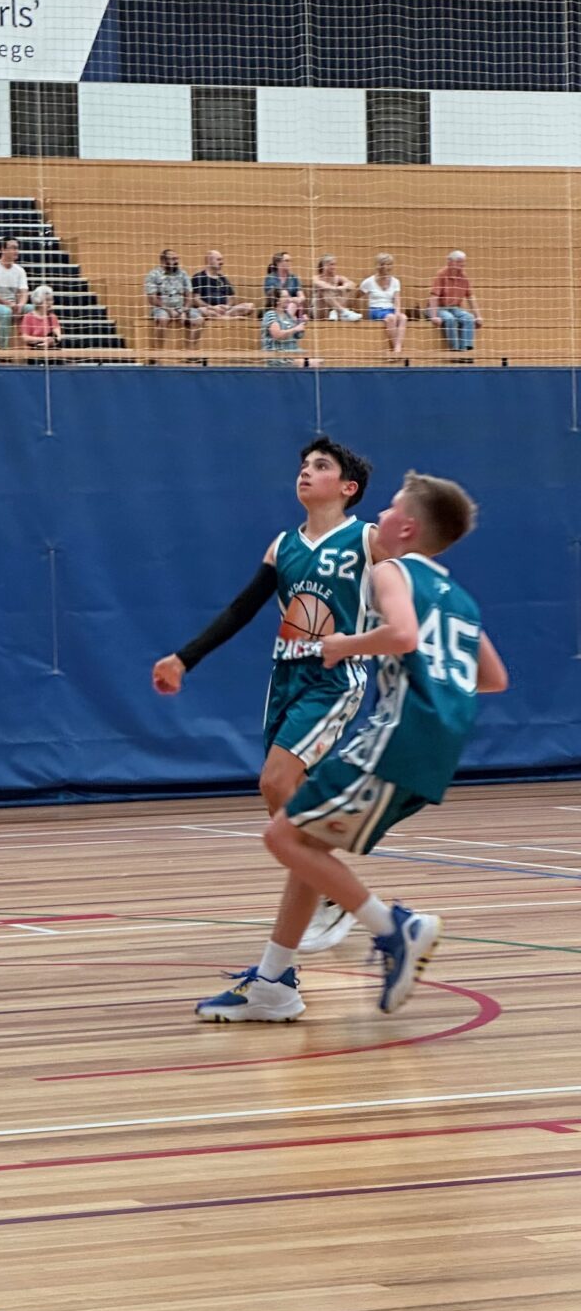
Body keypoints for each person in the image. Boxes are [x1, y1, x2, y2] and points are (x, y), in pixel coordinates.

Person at [197, 472, 509, 1022]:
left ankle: (393, 928)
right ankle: (273, 984)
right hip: (438, 751)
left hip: (396, 737)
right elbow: (492, 678)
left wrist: (345, 644)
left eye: (390, 508)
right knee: (306, 844)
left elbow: (403, 635)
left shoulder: (392, 569)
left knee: (282, 835)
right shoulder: (459, 598)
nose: (380, 515)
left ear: (406, 528)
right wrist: (432, 680)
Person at [153, 438, 378, 955]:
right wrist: (184, 658)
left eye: (320, 466)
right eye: (303, 465)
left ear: (348, 487)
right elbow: (240, 610)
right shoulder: (283, 545)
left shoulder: (366, 539)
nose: (305, 472)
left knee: (275, 779)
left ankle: (333, 892)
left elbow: (408, 587)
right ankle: (326, 881)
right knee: (282, 792)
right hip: (286, 678)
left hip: (334, 678)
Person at [144, 249, 203, 351]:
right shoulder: (153, 275)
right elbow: (152, 299)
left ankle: (189, 351)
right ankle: (158, 352)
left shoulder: (183, 274)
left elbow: (189, 295)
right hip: (161, 307)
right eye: (173, 259)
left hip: (181, 307)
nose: (176, 261)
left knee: (199, 319)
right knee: (163, 319)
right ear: (163, 260)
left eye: (177, 259)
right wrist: (169, 310)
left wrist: (183, 310)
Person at [429, 250, 482, 355]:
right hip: (440, 307)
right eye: (459, 261)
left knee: (469, 318)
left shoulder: (464, 277)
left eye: (463, 262)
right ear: (450, 262)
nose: (462, 264)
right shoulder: (441, 274)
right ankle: (455, 350)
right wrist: (434, 316)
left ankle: (465, 350)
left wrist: (478, 316)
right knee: (449, 318)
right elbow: (434, 297)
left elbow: (470, 297)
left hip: (455, 308)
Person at [0, 237, 29, 352]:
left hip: (14, 305)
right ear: (2, 249)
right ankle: (3, 351)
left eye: (17, 248)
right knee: (5, 312)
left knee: (34, 309)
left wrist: (20, 305)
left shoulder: (20, 270)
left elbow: (24, 292)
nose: (16, 251)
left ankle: (35, 347)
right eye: (13, 248)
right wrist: (8, 304)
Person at [359, 252, 408, 358]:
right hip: (376, 309)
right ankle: (397, 350)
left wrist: (397, 312)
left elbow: (397, 299)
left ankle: (398, 347)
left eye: (389, 264)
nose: (387, 267)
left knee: (403, 317)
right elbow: (357, 295)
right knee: (391, 318)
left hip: (390, 309)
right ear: (379, 265)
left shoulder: (395, 281)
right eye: (385, 264)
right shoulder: (368, 282)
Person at [191, 250, 254, 322]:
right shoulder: (198, 277)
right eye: (218, 260)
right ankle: (227, 318)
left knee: (250, 306)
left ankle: (224, 317)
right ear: (209, 261)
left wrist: (227, 306)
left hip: (225, 310)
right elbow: (196, 300)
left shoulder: (222, 278)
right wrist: (212, 307)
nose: (222, 262)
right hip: (209, 309)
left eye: (222, 260)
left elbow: (231, 297)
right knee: (202, 311)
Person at [259, 288, 307, 364]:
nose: (289, 299)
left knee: (318, 361)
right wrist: (295, 329)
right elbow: (277, 335)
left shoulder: (287, 315)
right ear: (277, 300)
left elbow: (297, 336)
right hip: (278, 354)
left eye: (288, 296)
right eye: (285, 297)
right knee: (313, 363)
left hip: (293, 352)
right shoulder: (270, 314)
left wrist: (302, 323)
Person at [311, 256, 362, 322]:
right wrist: (336, 289)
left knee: (347, 289)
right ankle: (343, 312)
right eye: (331, 264)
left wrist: (344, 287)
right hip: (320, 310)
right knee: (323, 290)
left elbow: (352, 284)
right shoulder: (317, 277)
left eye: (335, 264)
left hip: (335, 311)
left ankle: (336, 311)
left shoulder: (338, 278)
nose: (334, 267)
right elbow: (319, 284)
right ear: (324, 266)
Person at [20, 284, 62, 351]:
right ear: (38, 301)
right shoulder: (28, 317)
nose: (50, 303)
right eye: (47, 300)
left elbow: (58, 335)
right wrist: (43, 339)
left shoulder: (52, 317)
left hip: (50, 349)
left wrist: (52, 340)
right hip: (34, 349)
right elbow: (25, 337)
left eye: (51, 300)